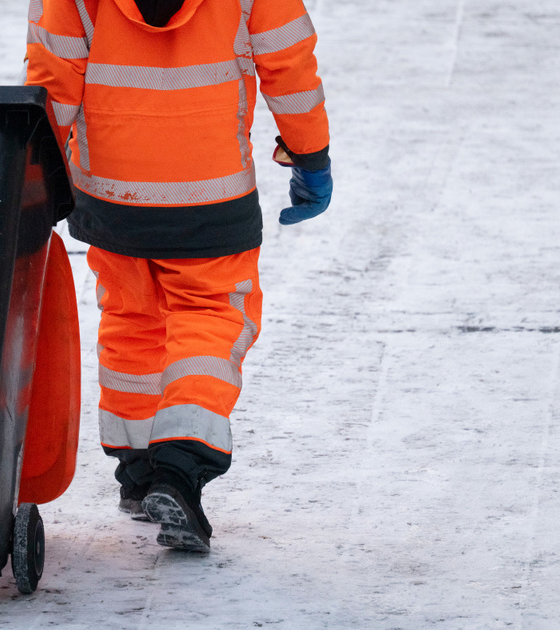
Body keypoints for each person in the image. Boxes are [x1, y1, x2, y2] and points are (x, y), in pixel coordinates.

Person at [25, 0, 332, 552]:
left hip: (112, 194)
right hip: (210, 194)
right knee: (213, 317)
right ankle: (181, 464)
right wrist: (310, 154)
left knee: (132, 318)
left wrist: (35, 172)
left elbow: (53, 75)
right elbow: (288, 65)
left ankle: (140, 469)